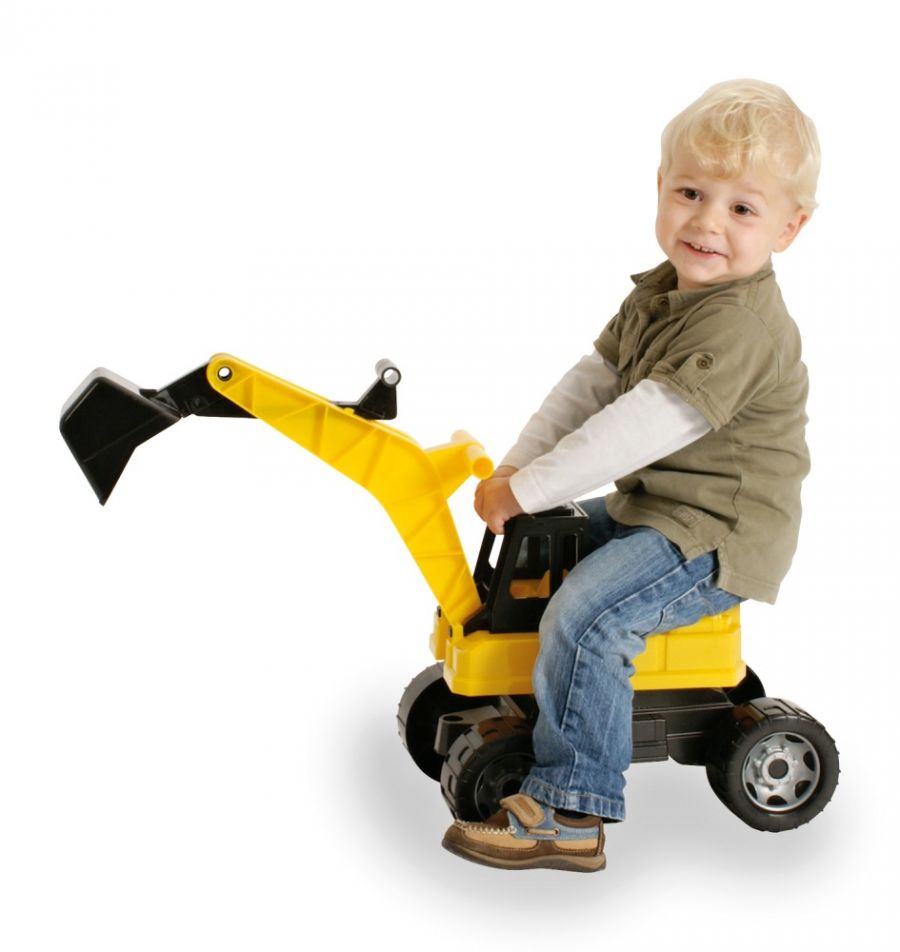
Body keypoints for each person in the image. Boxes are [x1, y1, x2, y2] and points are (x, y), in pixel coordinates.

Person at [441, 79, 819, 872]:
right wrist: (517, 468)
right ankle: (532, 701)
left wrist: (526, 489)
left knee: (587, 618)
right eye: (691, 193)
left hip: (718, 534)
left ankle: (571, 808)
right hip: (656, 507)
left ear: (789, 227)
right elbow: (590, 385)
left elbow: (638, 426)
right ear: (659, 187)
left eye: (742, 208)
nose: (707, 222)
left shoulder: (741, 327)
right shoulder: (660, 292)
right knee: (540, 550)